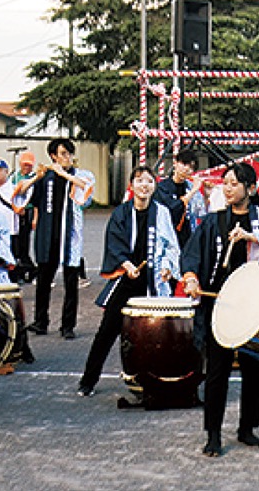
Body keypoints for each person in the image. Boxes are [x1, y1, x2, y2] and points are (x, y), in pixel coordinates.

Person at [181, 163, 259, 458]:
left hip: (254, 303)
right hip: (221, 302)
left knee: (255, 369)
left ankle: (247, 428)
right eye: (225, 183)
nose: (228, 188)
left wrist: (251, 237)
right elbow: (191, 254)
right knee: (218, 370)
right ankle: (213, 434)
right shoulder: (214, 222)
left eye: (234, 183)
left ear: (250, 189)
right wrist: (190, 278)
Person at [78, 165, 180, 396]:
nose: (144, 185)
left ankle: (158, 379)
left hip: (152, 281)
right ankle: (88, 380)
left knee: (158, 333)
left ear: (154, 186)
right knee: (107, 331)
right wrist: (126, 265)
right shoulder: (121, 213)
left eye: (149, 181)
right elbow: (114, 244)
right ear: (132, 185)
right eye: (139, 180)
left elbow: (171, 246)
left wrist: (167, 267)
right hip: (126, 279)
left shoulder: (161, 212)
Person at [26, 138, 96, 340]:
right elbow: (25, 197)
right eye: (63, 154)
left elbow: (87, 195)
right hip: (48, 235)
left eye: (70, 153)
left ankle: (68, 326)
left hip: (70, 236)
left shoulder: (80, 175)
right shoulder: (44, 177)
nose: (68, 158)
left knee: (71, 283)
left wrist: (63, 174)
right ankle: (40, 322)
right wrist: (35, 178)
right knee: (43, 281)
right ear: (53, 156)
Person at [155, 146, 209, 249]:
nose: (187, 169)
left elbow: (200, 214)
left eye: (191, 167)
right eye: (184, 164)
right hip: (167, 239)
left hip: (188, 237)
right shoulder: (163, 187)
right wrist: (192, 192)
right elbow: (172, 209)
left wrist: (206, 196)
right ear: (175, 163)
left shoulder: (189, 186)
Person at [10, 151, 38, 282]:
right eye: (24, 164)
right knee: (16, 244)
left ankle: (31, 270)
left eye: (29, 165)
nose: (27, 167)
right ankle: (21, 271)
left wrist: (35, 218)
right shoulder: (14, 176)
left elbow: (37, 201)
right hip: (15, 213)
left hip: (28, 211)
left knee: (24, 244)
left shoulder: (34, 178)